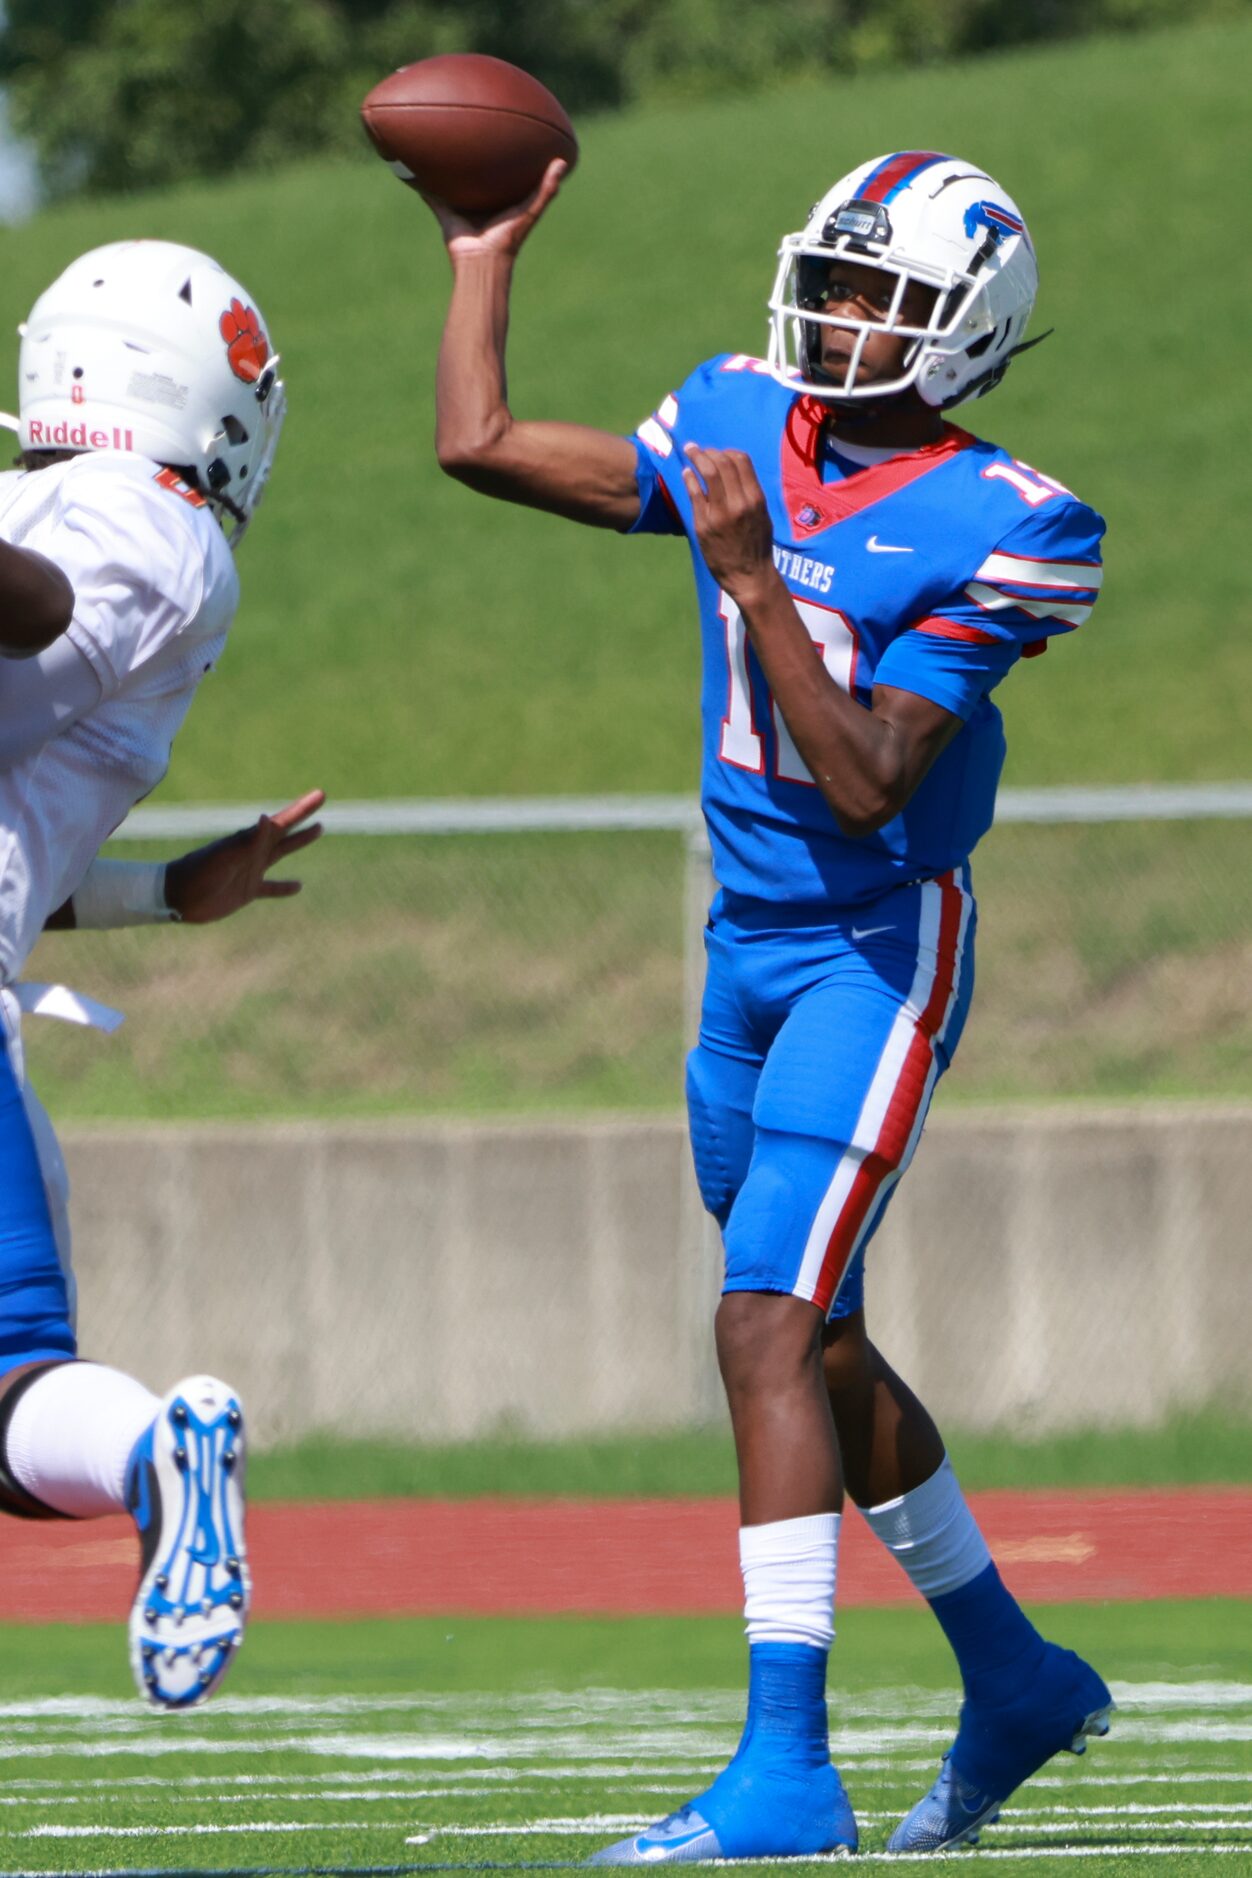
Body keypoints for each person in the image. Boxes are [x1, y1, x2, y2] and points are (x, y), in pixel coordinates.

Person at [425, 149, 1112, 1855]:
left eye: (884, 295)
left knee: (754, 1321)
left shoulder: (1015, 520)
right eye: (836, 275)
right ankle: (1015, 1672)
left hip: (877, 946)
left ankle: (787, 1770)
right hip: (744, 948)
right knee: (811, 1330)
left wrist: (747, 577)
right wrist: (479, 255)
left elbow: (876, 778)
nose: (840, 313)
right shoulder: (749, 408)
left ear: (967, 333)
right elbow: (483, 446)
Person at [0, 238, 322, 1711]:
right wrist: (157, 897)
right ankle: (151, 1454)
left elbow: (40, 607)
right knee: (11, 1398)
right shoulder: (133, 518)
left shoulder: (140, 525)